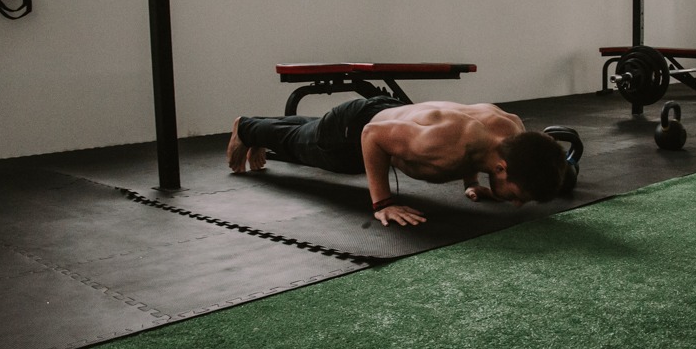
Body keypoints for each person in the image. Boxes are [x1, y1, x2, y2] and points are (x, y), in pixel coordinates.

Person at [226, 96, 574, 226]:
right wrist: (383, 203)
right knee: (300, 145)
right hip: (355, 131)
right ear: (501, 169)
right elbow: (372, 136)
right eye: (516, 195)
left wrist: (475, 185)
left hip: (390, 114)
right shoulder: (448, 140)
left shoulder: (509, 131)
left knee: (306, 131)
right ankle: (246, 127)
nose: (514, 203)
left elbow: (481, 156)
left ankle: (260, 125)